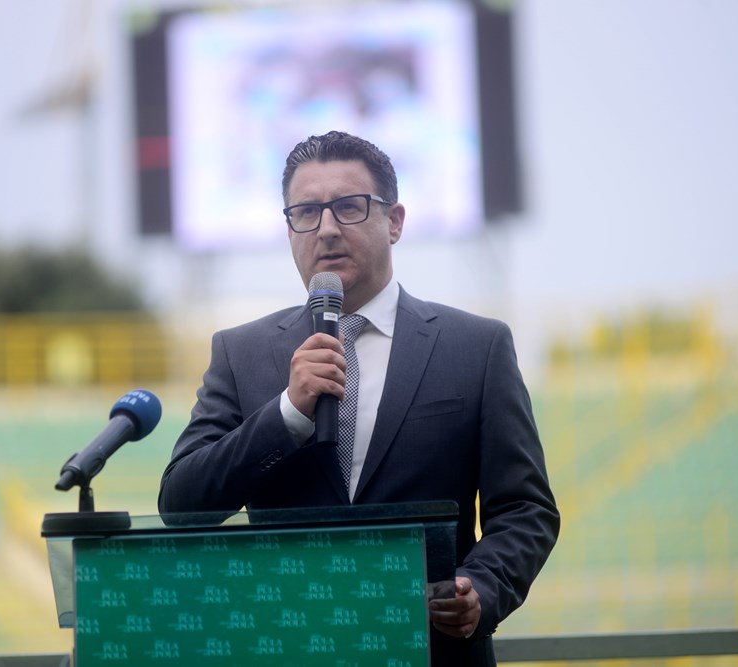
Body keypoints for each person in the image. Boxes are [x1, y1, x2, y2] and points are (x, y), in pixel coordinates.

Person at [159, 130, 558, 666]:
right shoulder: (240, 353)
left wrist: (481, 589)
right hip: (290, 650)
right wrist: (288, 413)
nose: (326, 228)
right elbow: (182, 504)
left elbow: (525, 509)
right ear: (290, 229)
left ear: (394, 221)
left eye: (348, 207)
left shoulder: (476, 347)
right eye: (306, 212)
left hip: (434, 650)